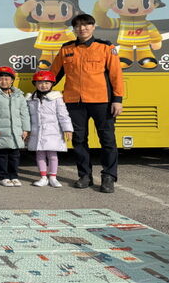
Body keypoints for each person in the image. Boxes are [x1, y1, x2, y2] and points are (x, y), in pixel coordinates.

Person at [50, 13, 124, 193]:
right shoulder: (66, 49)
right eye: (78, 26)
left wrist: (117, 100)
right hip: (74, 101)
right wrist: (42, 92)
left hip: (101, 101)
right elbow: (53, 75)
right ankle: (85, 176)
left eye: (86, 25)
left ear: (93, 26)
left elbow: (116, 75)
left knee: (107, 140)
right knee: (78, 140)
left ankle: (108, 176)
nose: (82, 28)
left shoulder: (106, 47)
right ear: (74, 29)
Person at [25, 71, 73, 188]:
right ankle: (43, 177)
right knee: (40, 154)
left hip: (53, 132)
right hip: (37, 132)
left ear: (52, 84)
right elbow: (26, 116)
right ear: (35, 84)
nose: (43, 85)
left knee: (52, 155)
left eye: (47, 83)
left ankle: (53, 177)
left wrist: (67, 129)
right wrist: (26, 130)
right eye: (40, 83)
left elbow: (63, 114)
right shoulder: (30, 99)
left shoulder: (56, 98)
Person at [0, 66, 30, 187]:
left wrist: (25, 129)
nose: (3, 81)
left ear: (12, 80)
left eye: (6, 79)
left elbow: (24, 113)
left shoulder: (19, 95)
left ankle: (14, 176)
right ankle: (3, 177)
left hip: (16, 131)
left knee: (15, 156)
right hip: (0, 131)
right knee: (1, 155)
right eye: (0, 79)